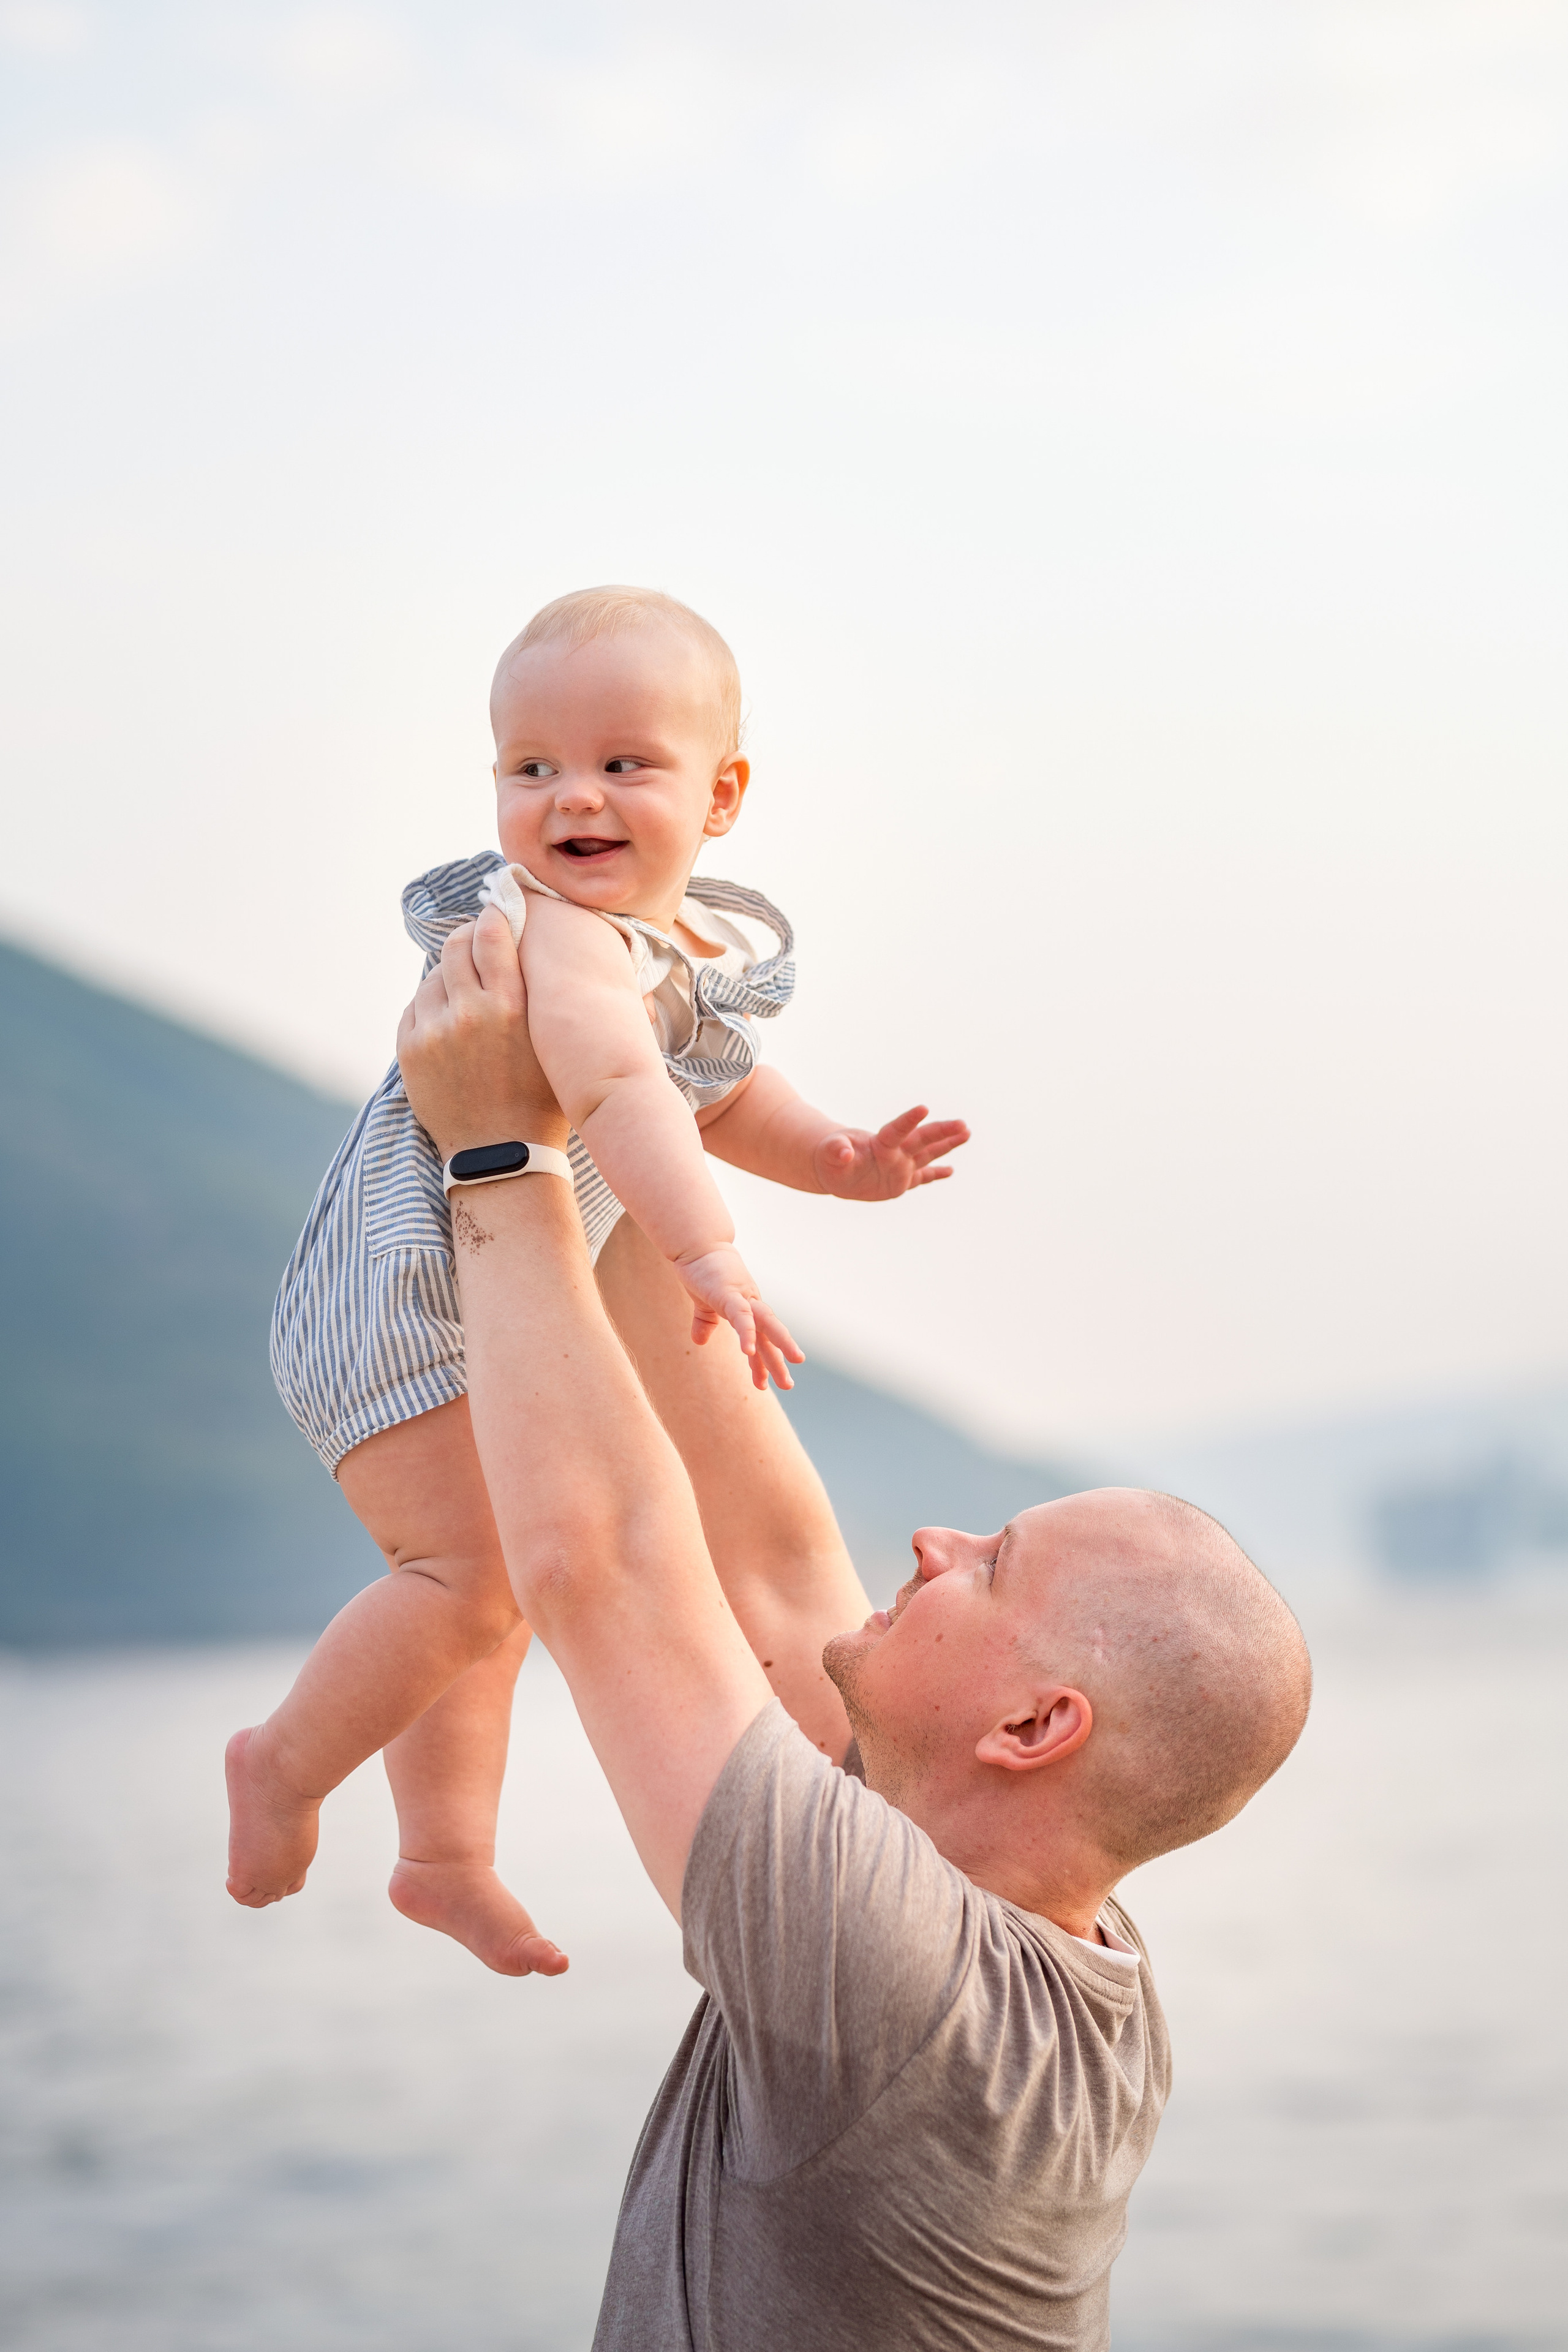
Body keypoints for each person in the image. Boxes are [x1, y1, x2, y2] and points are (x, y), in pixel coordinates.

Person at [394, 907, 1314, 2352]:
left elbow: (602, 1571)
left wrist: (496, 1158)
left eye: (990, 1564)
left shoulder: (903, 1989)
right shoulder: (1024, 1904)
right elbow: (764, 1565)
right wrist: (607, 1085)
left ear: (1031, 1727)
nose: (932, 1542)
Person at [228, 585, 968, 1977]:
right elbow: (629, 1094)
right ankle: (279, 1767)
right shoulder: (564, 937)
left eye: (623, 763)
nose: (574, 796)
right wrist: (709, 1255)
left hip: (456, 1301)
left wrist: (841, 1159)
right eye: (531, 768)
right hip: (404, 1305)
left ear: (722, 793)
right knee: (471, 1580)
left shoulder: (662, 952)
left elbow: (723, 1093)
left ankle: (440, 1859)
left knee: (472, 1587)